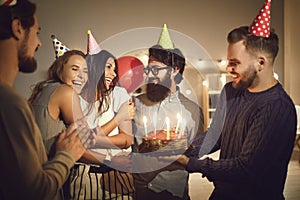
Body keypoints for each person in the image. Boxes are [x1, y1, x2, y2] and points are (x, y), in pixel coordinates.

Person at [177, 25, 297, 200]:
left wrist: (192, 163)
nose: (228, 68)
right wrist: (186, 148)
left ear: (261, 63)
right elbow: (215, 134)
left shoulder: (277, 107)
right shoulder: (231, 91)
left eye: (234, 63)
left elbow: (246, 168)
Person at [0, 0, 89, 199]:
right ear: (17, 28)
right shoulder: (9, 103)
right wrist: (66, 155)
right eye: (37, 32)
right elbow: (34, 192)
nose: (39, 43)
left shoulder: (35, 93)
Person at [131, 30, 204, 199]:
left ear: (174, 70)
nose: (149, 75)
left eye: (155, 69)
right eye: (148, 69)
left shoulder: (192, 111)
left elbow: (195, 153)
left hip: (174, 193)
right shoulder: (135, 104)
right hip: (140, 192)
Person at [70, 49, 135, 199]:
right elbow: (74, 148)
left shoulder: (118, 94)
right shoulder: (73, 98)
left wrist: (93, 140)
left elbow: (126, 140)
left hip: (119, 175)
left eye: (114, 69)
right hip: (85, 176)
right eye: (108, 67)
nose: (113, 74)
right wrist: (118, 119)